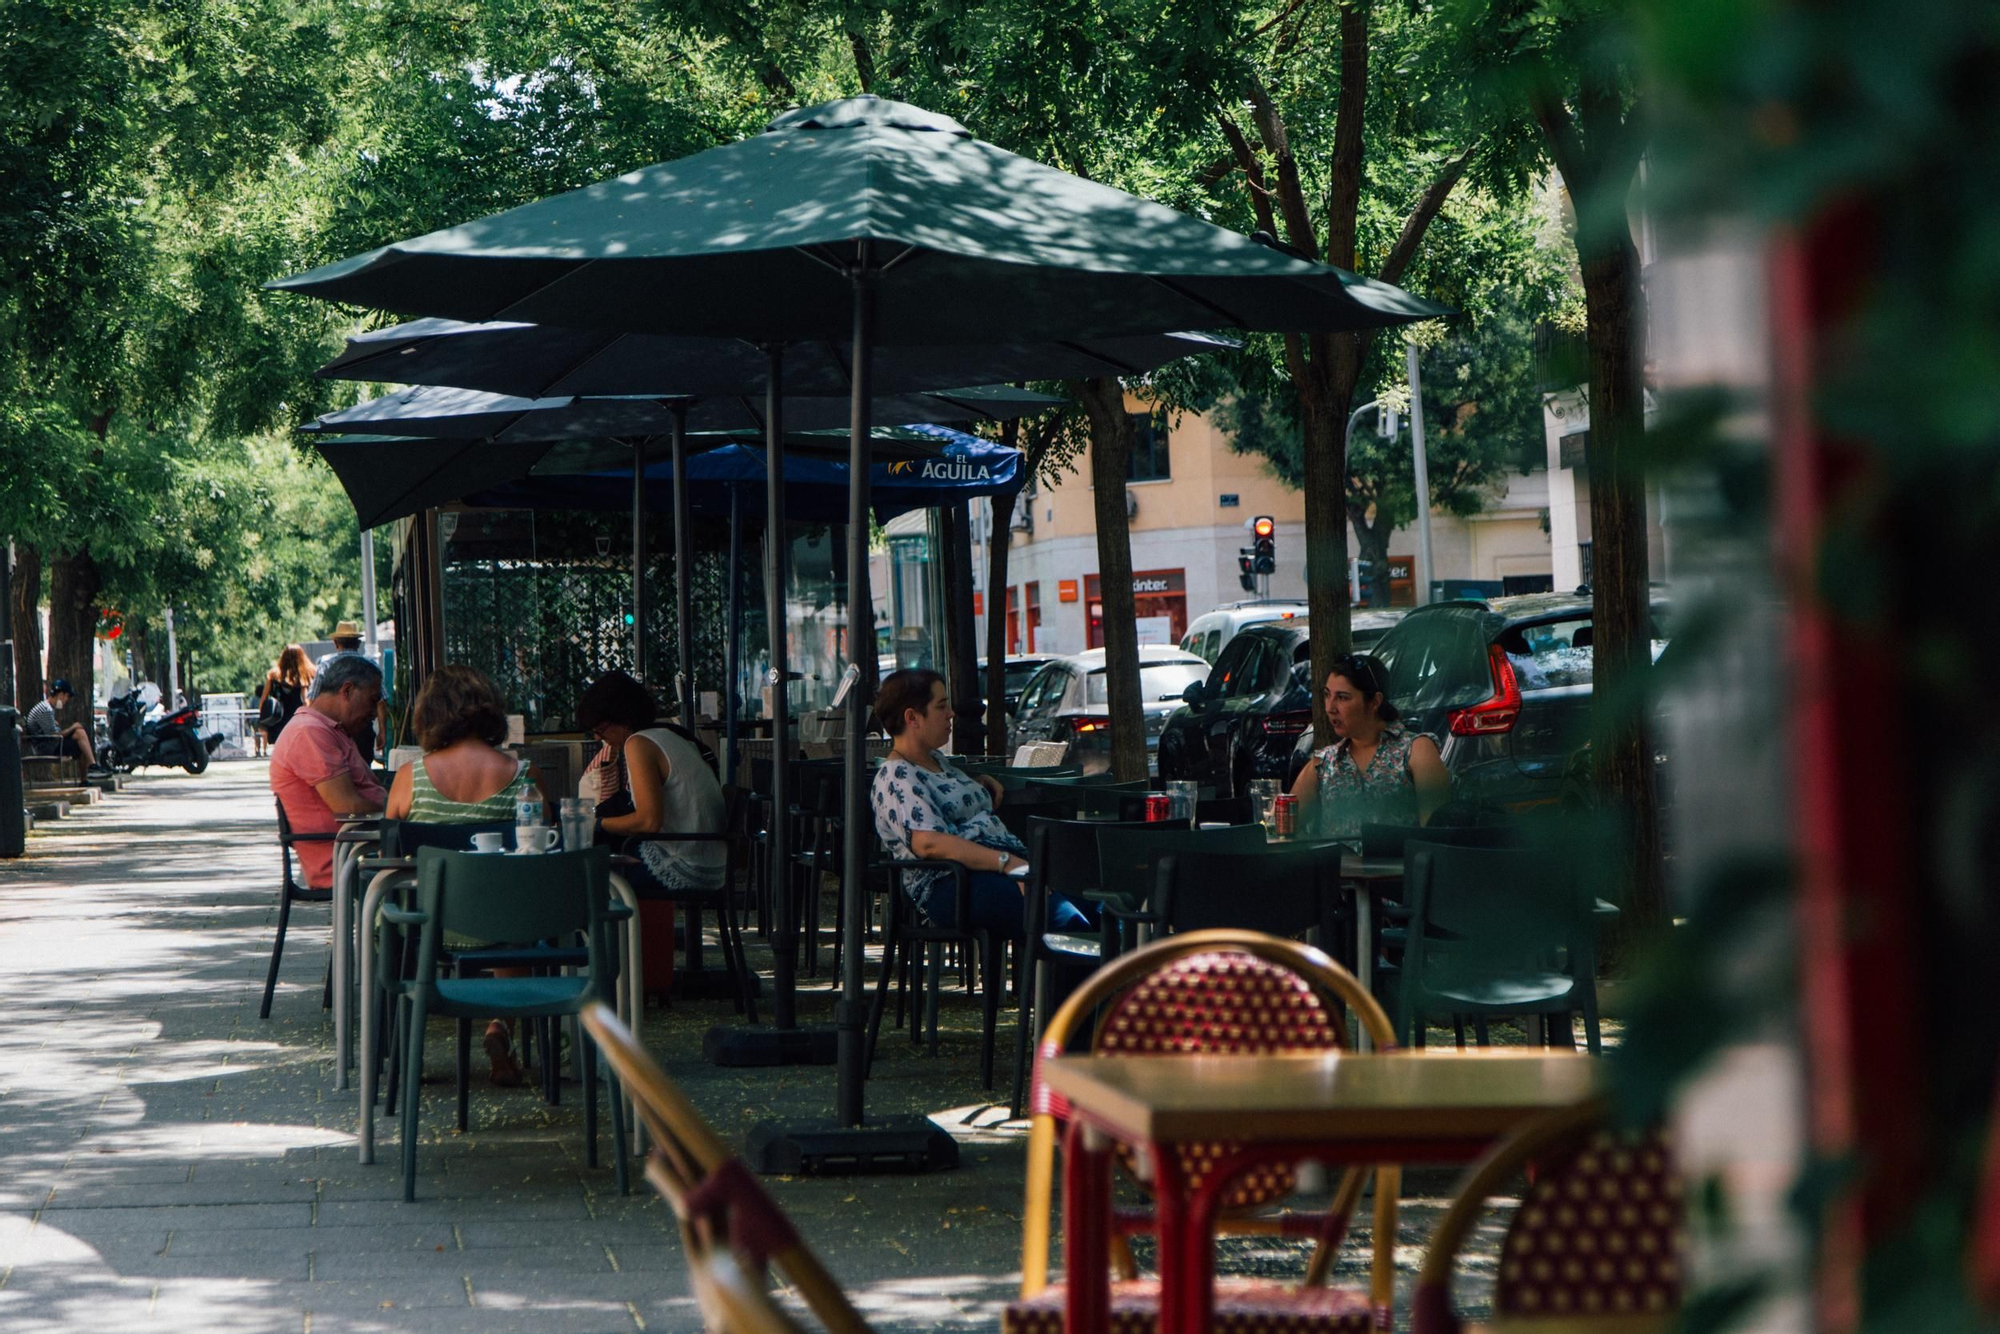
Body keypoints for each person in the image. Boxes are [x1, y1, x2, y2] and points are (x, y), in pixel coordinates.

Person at [382, 664, 550, 1085]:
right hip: (509, 923)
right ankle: (501, 1027)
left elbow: (391, 853)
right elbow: (548, 849)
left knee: (380, 918)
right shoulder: (524, 777)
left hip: (431, 926)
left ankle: (404, 1048)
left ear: (430, 714)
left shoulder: (410, 777)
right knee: (514, 901)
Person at [870, 668, 1092, 939]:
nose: (951, 713)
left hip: (994, 868)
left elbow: (947, 801)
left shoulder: (938, 761)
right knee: (1068, 924)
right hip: (953, 882)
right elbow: (928, 842)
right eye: (941, 706)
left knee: (1104, 914)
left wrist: (978, 784)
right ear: (912, 718)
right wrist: (1008, 863)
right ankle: (1067, 982)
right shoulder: (896, 774)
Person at [578, 672, 727, 899]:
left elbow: (649, 821)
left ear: (623, 717)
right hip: (710, 861)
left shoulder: (638, 744)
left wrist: (596, 824)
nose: (598, 737)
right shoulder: (668, 736)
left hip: (685, 865)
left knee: (582, 874)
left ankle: (610, 935)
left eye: (601, 728)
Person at [1289, 652, 1450, 840]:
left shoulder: (1415, 750)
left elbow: (1437, 836)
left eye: (1342, 697)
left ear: (1374, 702)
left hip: (1400, 868)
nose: (1330, 707)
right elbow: (1283, 827)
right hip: (1338, 869)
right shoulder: (1324, 763)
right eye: (1327, 695)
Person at [269, 651, 386, 894]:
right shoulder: (311, 733)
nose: (375, 712)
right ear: (347, 691)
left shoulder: (326, 730)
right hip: (350, 861)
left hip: (362, 851)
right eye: (372, 700)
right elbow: (349, 807)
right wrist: (402, 810)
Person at [320, 619, 389, 762]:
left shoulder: (325, 667)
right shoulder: (370, 667)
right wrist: (382, 731)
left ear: (336, 643)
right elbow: (381, 701)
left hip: (333, 731)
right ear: (358, 644)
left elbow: (314, 701)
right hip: (362, 731)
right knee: (363, 773)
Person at [23, 678, 107, 776]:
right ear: (61, 694)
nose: (66, 701)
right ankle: (91, 767)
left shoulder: (47, 708)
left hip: (48, 743)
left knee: (80, 735)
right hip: (46, 747)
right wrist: (72, 727)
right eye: (67, 697)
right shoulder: (45, 710)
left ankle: (91, 768)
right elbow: (53, 735)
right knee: (80, 740)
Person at [256, 646, 314, 752]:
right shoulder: (306, 675)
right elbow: (306, 702)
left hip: (278, 721)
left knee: (282, 752)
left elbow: (263, 701)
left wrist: (263, 721)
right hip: (298, 719)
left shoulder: (274, 676)